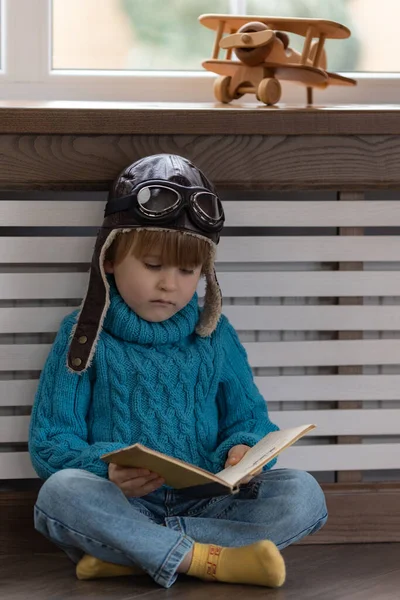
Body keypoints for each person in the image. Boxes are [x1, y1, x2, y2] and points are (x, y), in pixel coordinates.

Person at [29, 154, 327, 590]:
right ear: (110, 258)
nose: (170, 283)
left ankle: (135, 554)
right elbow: (51, 442)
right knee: (60, 494)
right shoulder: (83, 335)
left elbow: (249, 419)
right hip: (124, 504)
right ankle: (215, 559)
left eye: (188, 270)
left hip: (208, 505)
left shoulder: (214, 333)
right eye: (153, 266)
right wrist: (105, 470)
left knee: (304, 494)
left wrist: (243, 450)